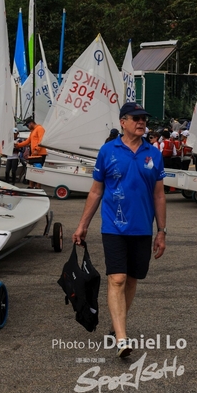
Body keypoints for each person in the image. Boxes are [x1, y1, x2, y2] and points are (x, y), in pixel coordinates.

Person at [72, 102, 166, 359]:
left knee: (132, 279)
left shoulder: (153, 154)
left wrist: (162, 231)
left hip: (142, 228)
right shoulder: (107, 151)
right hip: (114, 226)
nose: (142, 122)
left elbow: (159, 196)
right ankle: (122, 338)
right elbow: (96, 191)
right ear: (123, 122)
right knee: (117, 279)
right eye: (136, 118)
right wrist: (82, 225)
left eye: (144, 118)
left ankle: (117, 324)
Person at [15, 117, 47, 189]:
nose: (27, 127)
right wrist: (18, 145)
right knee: (31, 169)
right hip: (34, 154)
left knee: (38, 170)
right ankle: (31, 185)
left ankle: (38, 186)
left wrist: (37, 149)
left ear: (31, 123)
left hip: (40, 153)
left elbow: (41, 140)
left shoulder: (40, 128)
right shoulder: (33, 131)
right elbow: (27, 141)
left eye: (27, 125)